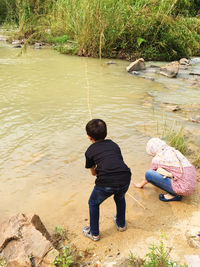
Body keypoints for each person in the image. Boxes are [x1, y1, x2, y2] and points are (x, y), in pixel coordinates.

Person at [83, 119, 131, 241]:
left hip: (107, 182)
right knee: (119, 197)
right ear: (106, 133)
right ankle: (121, 225)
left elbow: (93, 173)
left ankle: (94, 233)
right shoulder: (114, 145)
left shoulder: (89, 151)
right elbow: (117, 162)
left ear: (89, 137)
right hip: (125, 177)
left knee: (93, 203)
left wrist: (98, 169)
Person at [134, 137, 196, 202]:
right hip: (192, 184)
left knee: (148, 174)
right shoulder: (173, 150)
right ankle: (179, 190)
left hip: (184, 189)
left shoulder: (158, 158)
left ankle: (175, 195)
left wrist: (140, 185)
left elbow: (149, 176)